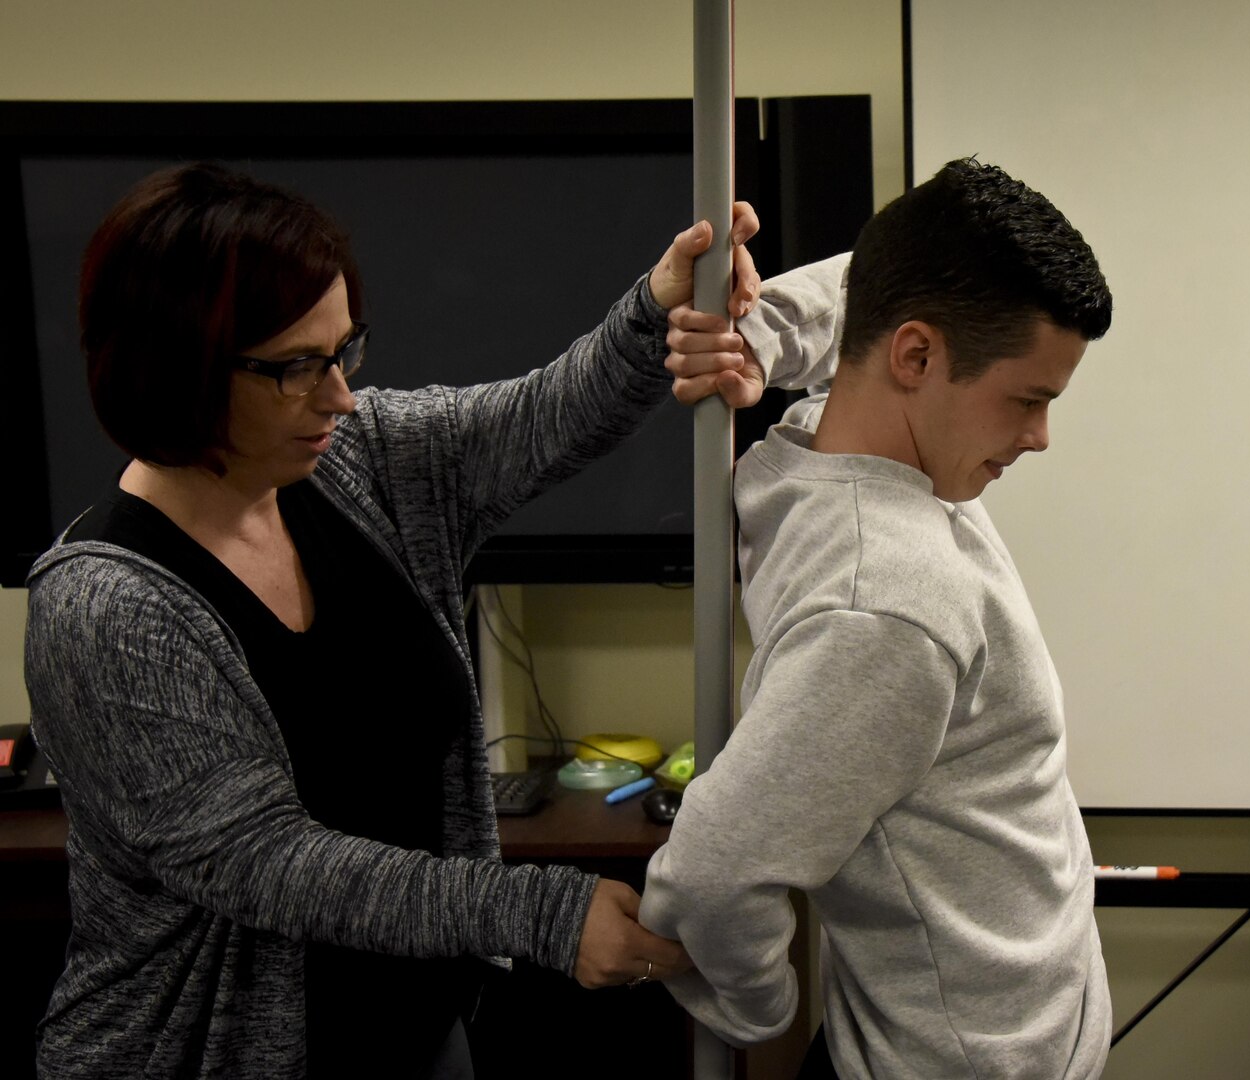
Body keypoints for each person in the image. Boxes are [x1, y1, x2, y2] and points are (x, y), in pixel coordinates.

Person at [23, 162, 759, 1080]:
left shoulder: (353, 460)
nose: (337, 396)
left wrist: (657, 307)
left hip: (412, 1025)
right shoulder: (105, 608)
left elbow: (541, 417)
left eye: (343, 351)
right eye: (295, 367)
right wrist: (537, 914)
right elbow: (273, 864)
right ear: (177, 367)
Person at [643, 158, 1116, 1079]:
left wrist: (758, 336)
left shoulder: (819, 449)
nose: (1039, 437)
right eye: (1028, 399)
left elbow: (876, 279)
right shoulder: (890, 600)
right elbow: (711, 875)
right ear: (915, 358)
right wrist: (758, 1006)